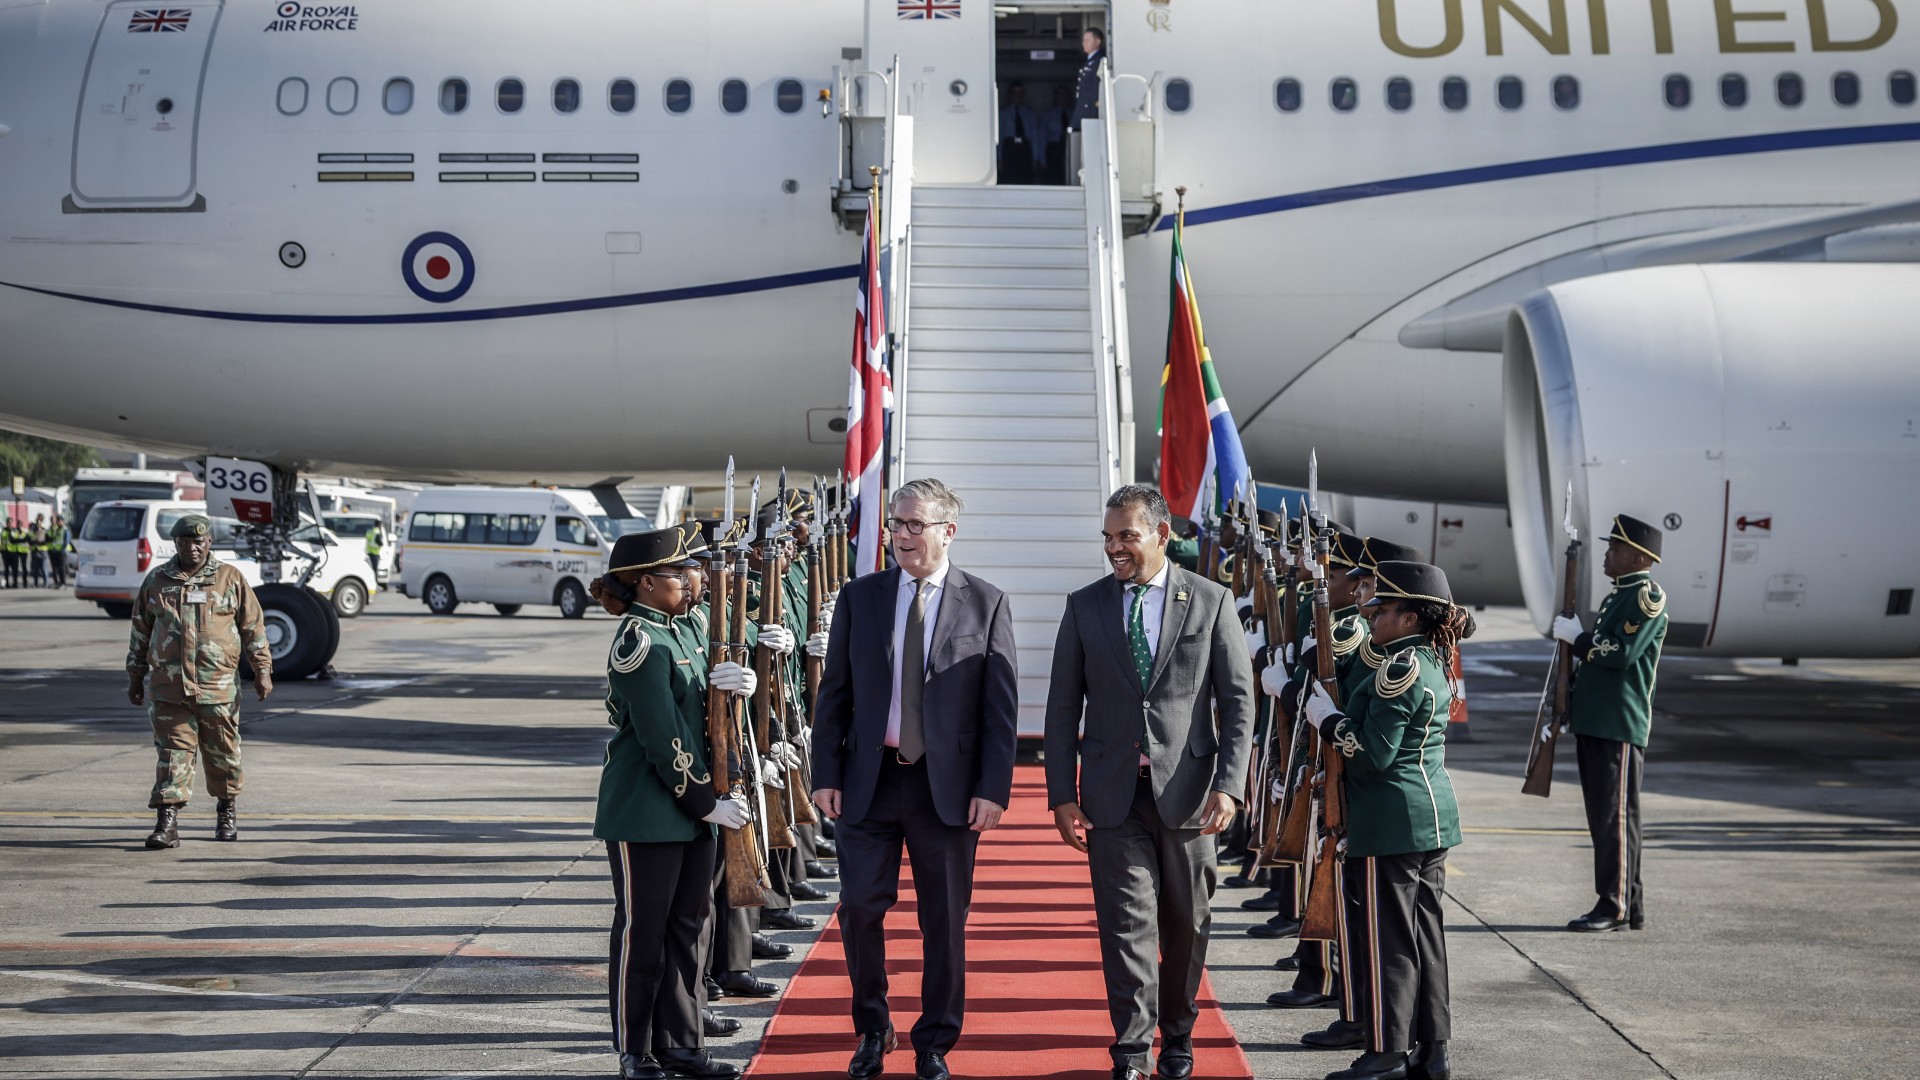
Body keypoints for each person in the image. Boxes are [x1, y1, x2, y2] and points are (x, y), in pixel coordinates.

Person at [810, 478, 1019, 1080]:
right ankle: (873, 1029)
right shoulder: (862, 596)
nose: (900, 535)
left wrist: (992, 788)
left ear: (947, 531)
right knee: (859, 908)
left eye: (913, 525)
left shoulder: (987, 602)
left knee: (944, 919)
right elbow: (835, 696)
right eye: (895, 525)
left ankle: (935, 1040)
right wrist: (826, 772)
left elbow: (998, 711)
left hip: (945, 789)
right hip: (868, 782)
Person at [1044, 484, 1255, 1080]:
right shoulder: (1084, 606)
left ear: (1162, 535)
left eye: (1126, 536)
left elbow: (1238, 702)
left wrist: (1230, 785)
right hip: (1113, 796)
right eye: (1108, 537)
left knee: (1187, 923)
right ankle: (1132, 1050)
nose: (1114, 548)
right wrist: (1062, 795)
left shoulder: (1211, 601)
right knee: (1126, 926)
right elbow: (1062, 708)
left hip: (1189, 795)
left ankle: (1179, 1035)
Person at [591, 522, 754, 1080]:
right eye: (677, 573)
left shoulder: (683, 630)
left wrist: (737, 682)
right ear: (643, 583)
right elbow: (664, 737)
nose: (691, 580)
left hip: (693, 805)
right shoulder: (640, 639)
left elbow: (703, 714)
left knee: (689, 926)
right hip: (650, 806)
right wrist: (705, 801)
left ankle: (681, 1043)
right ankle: (635, 1049)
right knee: (644, 932)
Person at [1299, 561, 1467, 1080]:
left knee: (1388, 941)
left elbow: (1374, 753)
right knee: (1424, 939)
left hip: (1392, 820)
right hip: (1424, 817)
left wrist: (1327, 720)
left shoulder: (1400, 668)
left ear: (1412, 617)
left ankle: (1388, 1051)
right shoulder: (1425, 658)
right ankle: (1431, 1051)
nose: (1372, 617)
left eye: (1384, 610)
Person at [125, 514, 273, 849]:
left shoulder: (229, 578)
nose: (193, 547)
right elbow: (140, 632)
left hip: (217, 687)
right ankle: (167, 821)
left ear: (209, 543)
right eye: (186, 542)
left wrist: (262, 670)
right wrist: (135, 676)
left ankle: (226, 812)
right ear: (176, 544)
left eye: (200, 541)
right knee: (172, 753)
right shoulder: (157, 580)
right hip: (169, 688)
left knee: (222, 752)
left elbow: (254, 628)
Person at [1553, 514, 1669, 934]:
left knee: (1613, 819)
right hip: (1598, 721)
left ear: (1638, 557)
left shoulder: (1644, 598)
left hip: (1618, 723)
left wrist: (1578, 639)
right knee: (1610, 817)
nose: (1608, 554)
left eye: (1615, 549)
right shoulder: (1616, 598)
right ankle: (1628, 902)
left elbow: (1619, 654)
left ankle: (1614, 905)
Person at [998, 80, 1044, 184]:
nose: (1017, 96)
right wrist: (999, 158)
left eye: (1020, 93)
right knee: (1008, 179)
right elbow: (999, 137)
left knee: (1025, 178)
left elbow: (1035, 137)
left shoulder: (1030, 114)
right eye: (1014, 92)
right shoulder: (1002, 114)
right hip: (1009, 148)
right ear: (1009, 95)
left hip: (1025, 149)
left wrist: (1036, 158)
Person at [1071, 26, 1107, 132]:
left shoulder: (1099, 61)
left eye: (1087, 40)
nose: (1084, 43)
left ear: (1097, 42)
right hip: (1083, 110)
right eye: (1083, 40)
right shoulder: (1089, 62)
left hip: (1091, 110)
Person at [46, 514, 70, 589]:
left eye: (60, 520)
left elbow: (66, 541)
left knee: (62, 568)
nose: (58, 522)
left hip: (62, 552)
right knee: (57, 568)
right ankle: (59, 583)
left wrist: (61, 549)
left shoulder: (65, 530)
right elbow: (54, 541)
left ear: (63, 521)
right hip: (55, 552)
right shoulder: (56, 530)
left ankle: (63, 583)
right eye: (58, 520)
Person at [1, 517, 26, 589]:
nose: (9, 523)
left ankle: (15, 583)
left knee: (15, 569)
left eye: (10, 522)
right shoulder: (3, 530)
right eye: (8, 522)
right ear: (6, 523)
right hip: (5, 552)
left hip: (13, 552)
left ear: (12, 523)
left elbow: (18, 539)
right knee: (6, 569)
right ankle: (6, 584)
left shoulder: (15, 530)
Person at [28, 515, 50, 587]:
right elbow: (30, 540)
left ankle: (46, 583)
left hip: (43, 552)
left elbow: (48, 540)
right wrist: (35, 540)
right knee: (35, 570)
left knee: (44, 569)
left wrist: (41, 541)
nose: (38, 523)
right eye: (37, 521)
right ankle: (35, 583)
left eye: (40, 521)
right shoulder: (33, 530)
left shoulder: (45, 530)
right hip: (35, 551)